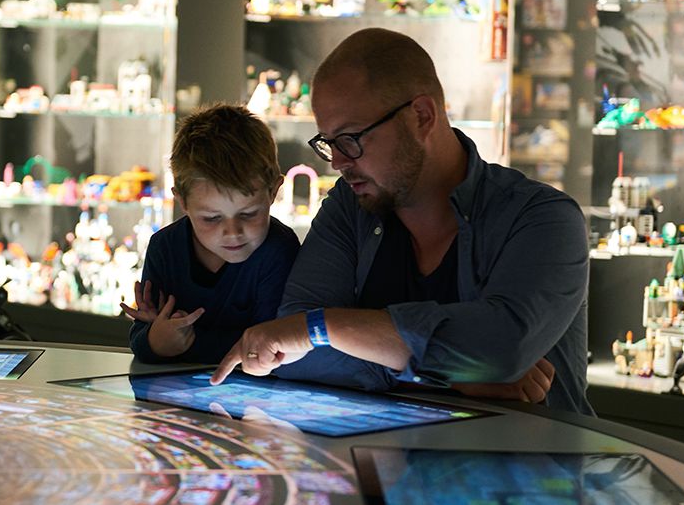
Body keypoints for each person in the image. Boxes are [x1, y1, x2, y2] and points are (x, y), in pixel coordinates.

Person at [211, 28, 592, 414]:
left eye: (350, 138)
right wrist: (450, 374)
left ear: (421, 116)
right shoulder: (349, 206)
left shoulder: (543, 219)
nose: (338, 162)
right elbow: (293, 355)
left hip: (529, 452)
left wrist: (322, 329)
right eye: (328, 142)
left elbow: (502, 348)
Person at [121, 104, 300, 364]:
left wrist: (183, 342)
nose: (232, 233)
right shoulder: (164, 247)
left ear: (273, 192)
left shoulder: (278, 251)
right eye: (212, 218)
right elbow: (140, 339)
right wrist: (155, 340)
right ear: (182, 201)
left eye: (248, 214)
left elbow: (268, 350)